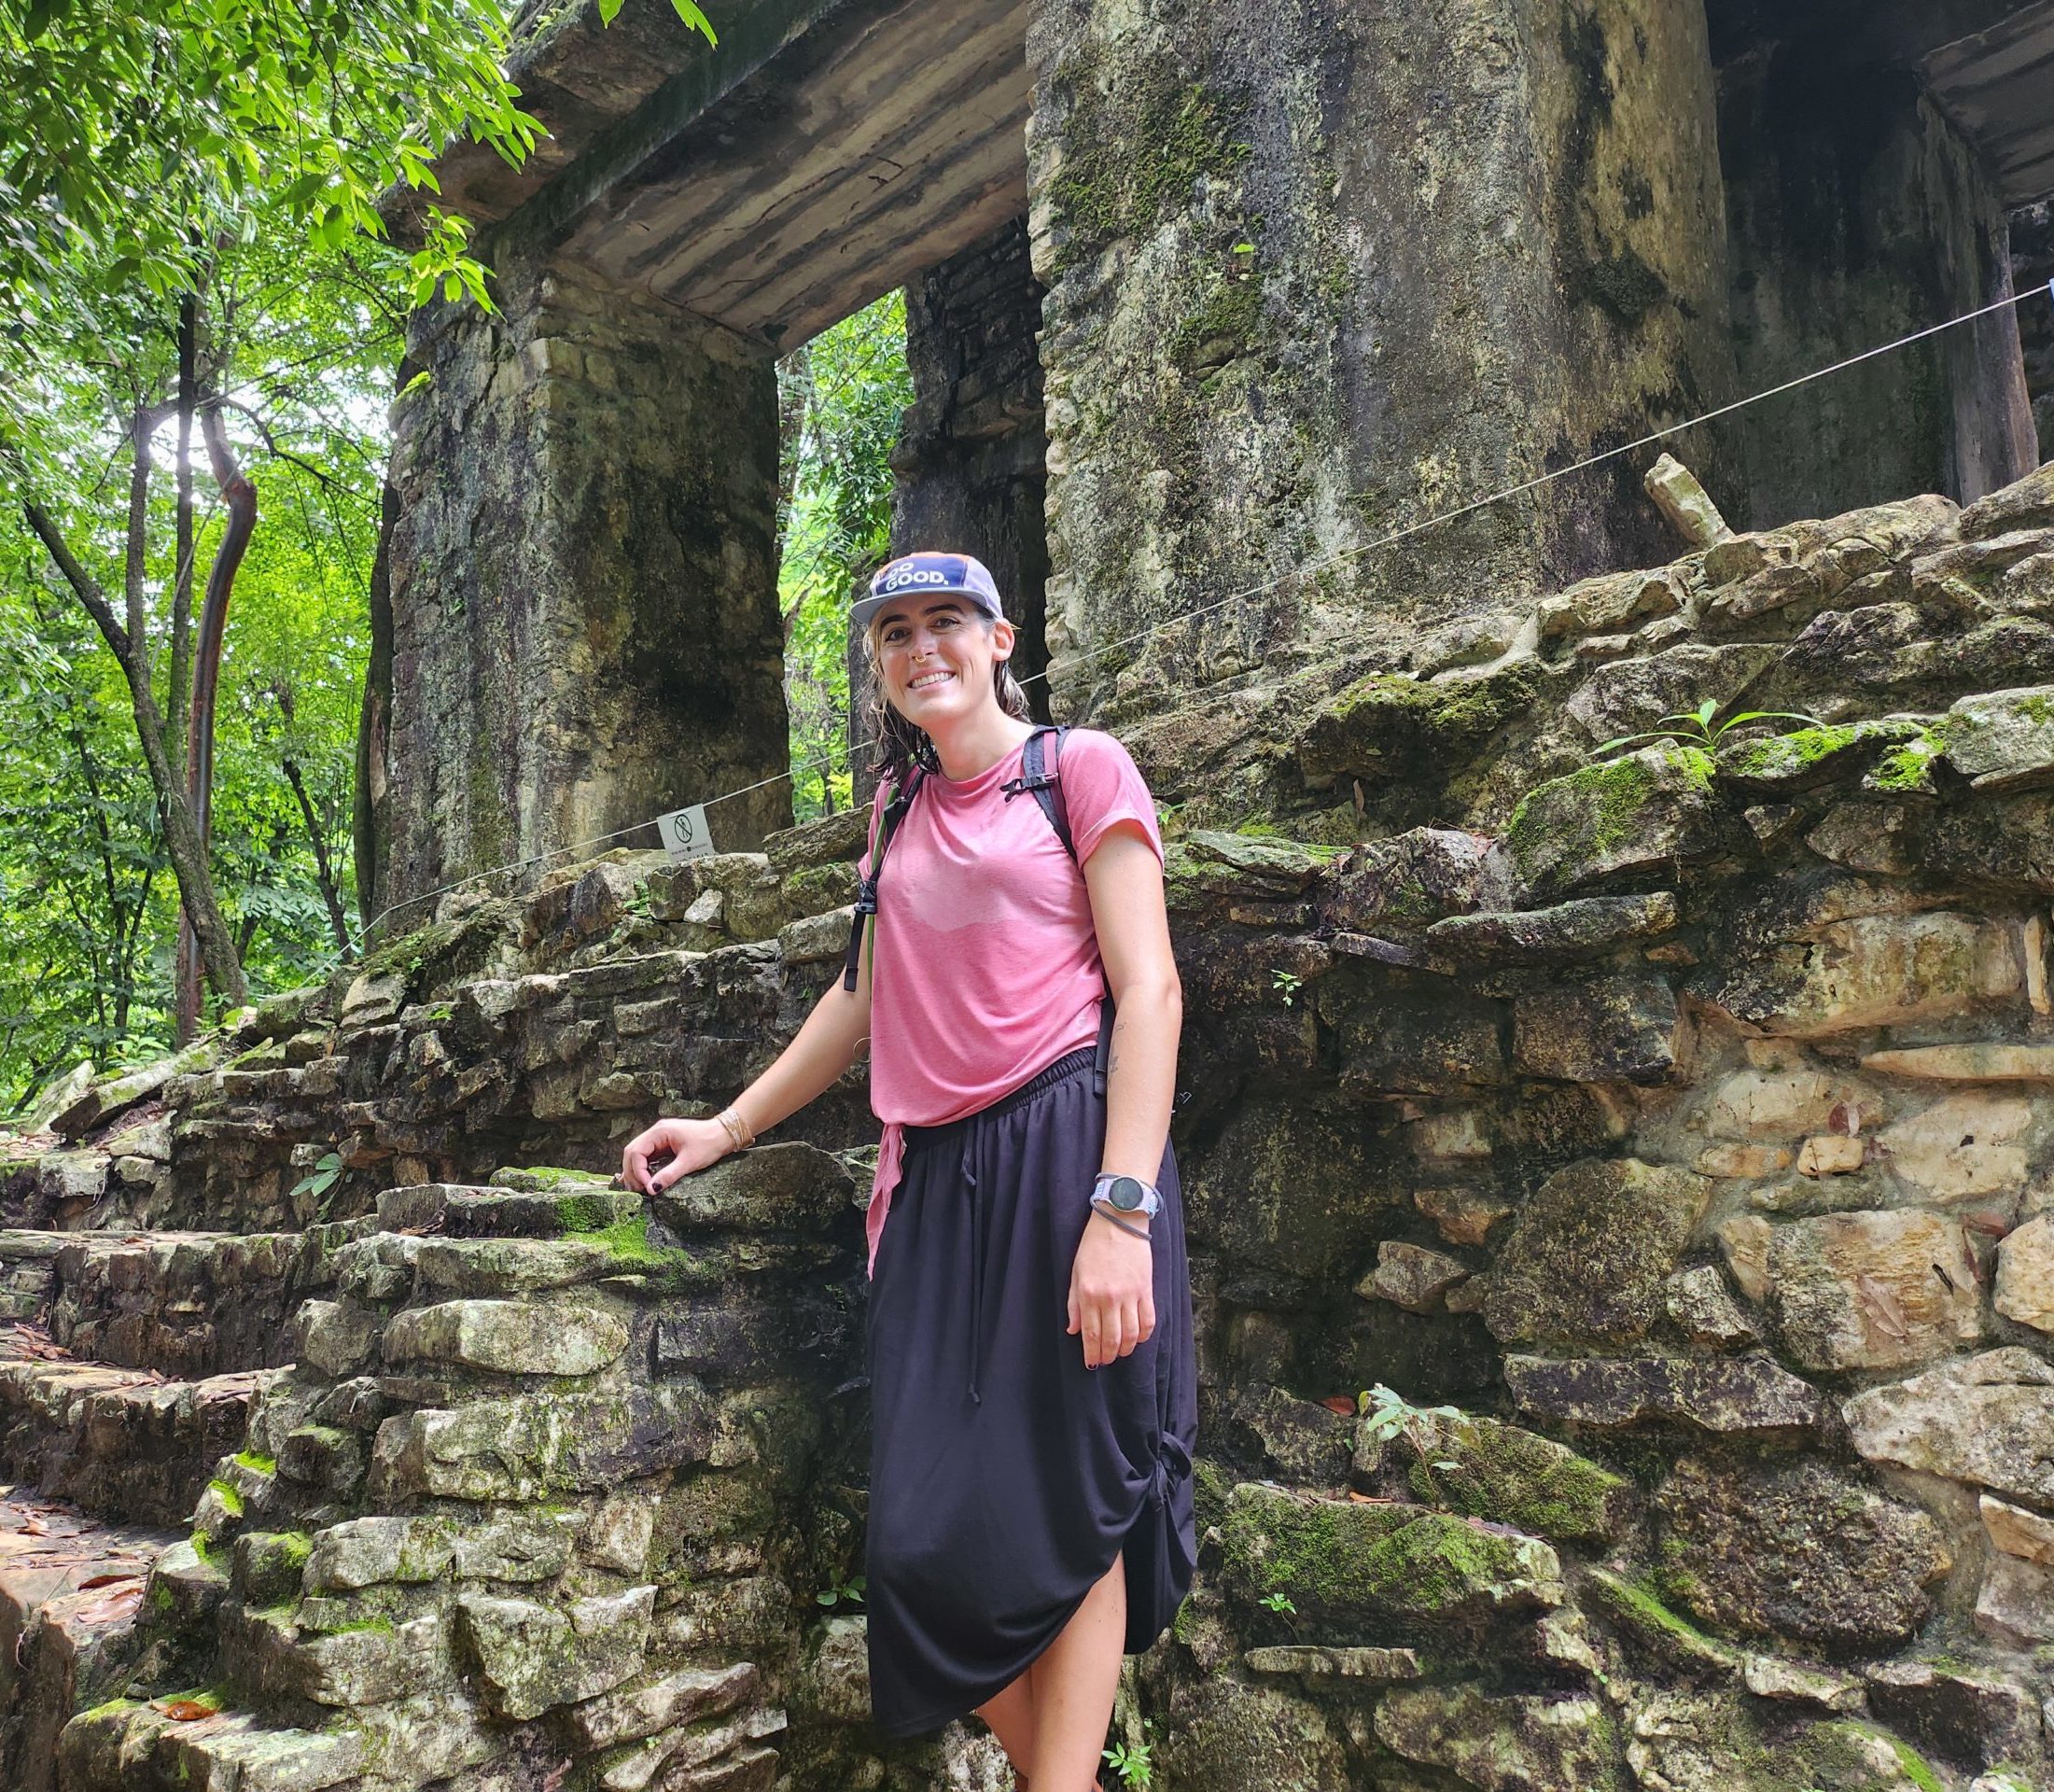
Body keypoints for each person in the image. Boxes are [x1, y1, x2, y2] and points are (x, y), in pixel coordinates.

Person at [622, 550, 1196, 1792]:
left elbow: (1147, 987)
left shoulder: (1076, 768)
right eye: (895, 632)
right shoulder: (896, 811)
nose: (920, 648)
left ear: (998, 640)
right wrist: (725, 1129)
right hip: (931, 1183)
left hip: (1066, 1156)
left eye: (947, 622)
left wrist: (1121, 1211)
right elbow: (861, 995)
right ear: (878, 666)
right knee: (918, 1549)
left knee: (1073, 1491)